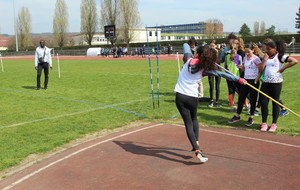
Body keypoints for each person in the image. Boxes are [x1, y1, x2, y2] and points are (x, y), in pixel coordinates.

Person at [174, 43, 246, 163]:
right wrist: (238, 79)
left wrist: (194, 49)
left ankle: (196, 148)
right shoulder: (205, 69)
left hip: (180, 96)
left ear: (197, 54)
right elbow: (221, 74)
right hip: (192, 98)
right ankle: (196, 144)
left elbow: (186, 45)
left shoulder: (188, 58)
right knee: (194, 119)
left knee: (188, 123)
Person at [257, 38, 298, 132]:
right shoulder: (265, 57)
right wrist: (264, 60)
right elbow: (260, 70)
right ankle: (264, 123)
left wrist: (283, 68)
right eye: (265, 49)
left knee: (275, 102)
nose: (266, 51)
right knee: (264, 103)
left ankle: (274, 124)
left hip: (276, 83)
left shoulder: (280, 56)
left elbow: (294, 61)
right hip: (266, 83)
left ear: (274, 48)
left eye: (268, 49)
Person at [229, 45, 262, 126]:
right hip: (245, 80)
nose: (247, 53)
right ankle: (237, 115)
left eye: (248, 52)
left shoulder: (256, 59)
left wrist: (256, 80)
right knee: (241, 97)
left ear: (253, 50)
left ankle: (251, 117)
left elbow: (261, 70)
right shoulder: (245, 58)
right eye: (245, 52)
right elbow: (244, 68)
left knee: (253, 99)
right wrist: (240, 67)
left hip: (254, 81)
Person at [207, 40, 222, 108]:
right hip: (210, 70)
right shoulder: (208, 53)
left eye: (213, 46)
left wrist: (215, 54)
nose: (212, 47)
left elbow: (220, 61)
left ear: (216, 46)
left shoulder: (219, 52)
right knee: (211, 86)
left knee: (217, 86)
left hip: (218, 71)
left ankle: (217, 101)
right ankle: (211, 100)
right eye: (211, 46)